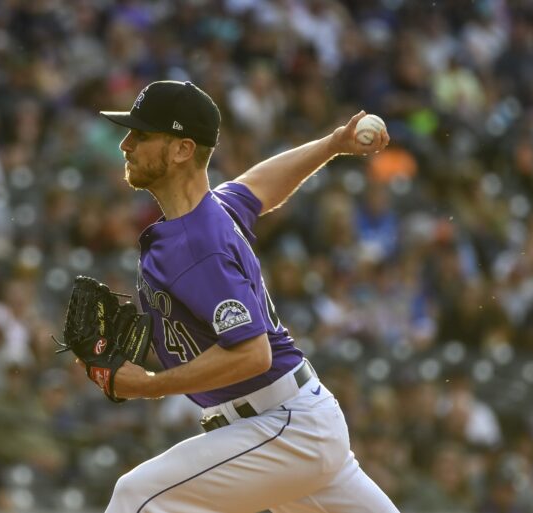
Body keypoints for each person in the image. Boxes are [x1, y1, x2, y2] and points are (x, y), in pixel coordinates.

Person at [97, 80, 399, 513]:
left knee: (138, 498)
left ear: (183, 149)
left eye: (142, 135)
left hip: (282, 429)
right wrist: (332, 144)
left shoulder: (201, 244)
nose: (126, 144)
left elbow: (252, 355)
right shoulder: (214, 208)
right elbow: (260, 186)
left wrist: (149, 386)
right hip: (292, 427)